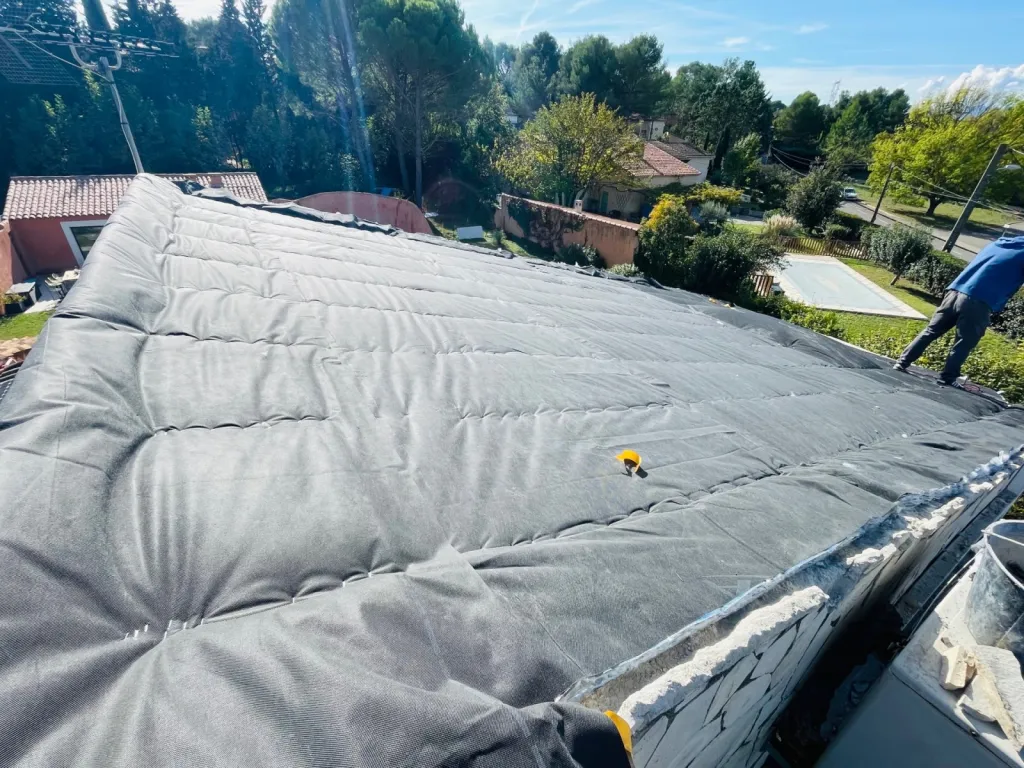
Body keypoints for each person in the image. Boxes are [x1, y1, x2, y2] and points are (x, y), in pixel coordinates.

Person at [894, 232, 1024, 386]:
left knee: (931, 331)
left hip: (955, 291)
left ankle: (902, 363)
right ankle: (947, 378)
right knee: (965, 341)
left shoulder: (1000, 242)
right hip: (979, 300)